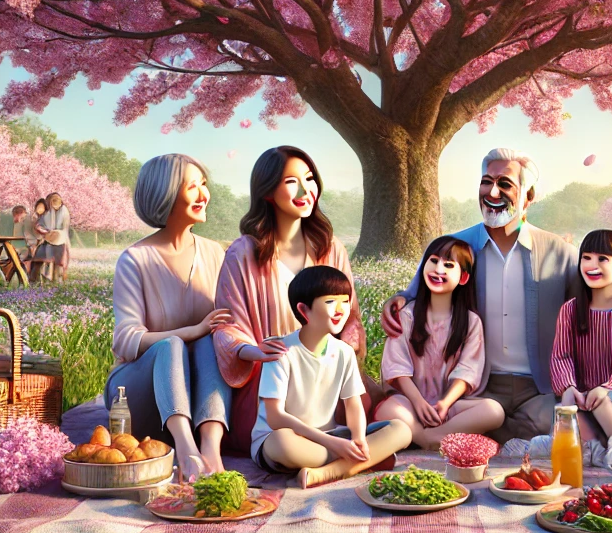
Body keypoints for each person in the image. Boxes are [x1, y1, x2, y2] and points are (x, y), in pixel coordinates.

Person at [381, 148, 583, 444]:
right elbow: (415, 293)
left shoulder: (560, 253)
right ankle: (462, 436)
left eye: (505, 184)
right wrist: (395, 301)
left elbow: (586, 317)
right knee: (486, 416)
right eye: (486, 182)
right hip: (477, 386)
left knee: (570, 425)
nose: (492, 191)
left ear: (528, 196)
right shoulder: (453, 248)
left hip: (539, 390)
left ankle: (443, 437)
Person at [213, 146, 369, 455]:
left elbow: (350, 318)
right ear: (268, 191)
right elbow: (227, 324)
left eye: (309, 179)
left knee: (379, 415)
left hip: (325, 376)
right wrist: (253, 350)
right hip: (273, 375)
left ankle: (338, 454)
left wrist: (342, 351)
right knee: (282, 442)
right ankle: (338, 455)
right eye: (290, 181)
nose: (305, 190)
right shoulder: (243, 253)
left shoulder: (330, 248)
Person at [107, 154, 233, 479]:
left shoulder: (215, 253)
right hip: (138, 394)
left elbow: (227, 323)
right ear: (166, 193)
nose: (204, 195)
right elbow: (126, 339)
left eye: (204, 185)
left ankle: (210, 448)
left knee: (211, 341)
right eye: (193, 187)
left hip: (197, 393)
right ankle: (186, 451)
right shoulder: (135, 260)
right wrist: (191, 330)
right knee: (173, 344)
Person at [253, 265, 412, 488]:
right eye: (330, 302)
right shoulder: (280, 350)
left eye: (345, 301)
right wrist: (334, 444)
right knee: (282, 443)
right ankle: (364, 461)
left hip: (330, 436)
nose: (341, 310)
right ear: (303, 310)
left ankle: (328, 472)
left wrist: (357, 439)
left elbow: (353, 404)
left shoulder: (344, 352)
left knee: (402, 429)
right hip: (284, 440)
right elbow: (275, 418)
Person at [375, 235, 502, 449]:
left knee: (494, 411)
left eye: (448, 265)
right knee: (388, 410)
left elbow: (468, 370)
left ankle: (432, 436)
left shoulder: (471, 322)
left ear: (463, 278)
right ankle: (428, 439)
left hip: (446, 407)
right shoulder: (406, 315)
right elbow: (396, 368)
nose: (438, 269)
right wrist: (418, 402)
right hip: (410, 403)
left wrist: (445, 404)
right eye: (433, 261)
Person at [550, 229, 612, 475]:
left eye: (603, 259)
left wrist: (606, 386)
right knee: (569, 406)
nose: (592, 265)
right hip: (583, 391)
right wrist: (568, 387)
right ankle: (591, 447)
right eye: (587, 257)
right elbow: (561, 356)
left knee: (601, 401)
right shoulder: (571, 310)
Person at [35, 191, 71, 281]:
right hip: (47, 239)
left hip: (60, 239)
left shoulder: (64, 211)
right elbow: (39, 224)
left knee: (59, 260)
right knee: (43, 255)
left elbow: (64, 228)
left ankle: (57, 278)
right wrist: (42, 230)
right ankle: (45, 277)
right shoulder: (46, 212)